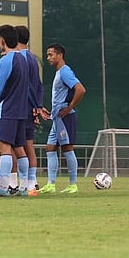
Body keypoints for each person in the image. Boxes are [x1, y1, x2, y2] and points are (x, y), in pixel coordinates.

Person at [0, 24, 36, 197]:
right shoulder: (23, 59)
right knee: (19, 147)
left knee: (5, 147)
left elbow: (0, 87)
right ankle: (24, 186)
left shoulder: (6, 60)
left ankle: (2, 185)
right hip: (21, 110)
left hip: (7, 109)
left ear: (2, 40)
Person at [40, 43, 87, 194]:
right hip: (57, 118)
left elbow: (80, 89)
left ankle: (73, 184)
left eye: (51, 54)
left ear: (60, 55)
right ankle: (51, 184)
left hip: (65, 117)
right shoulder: (59, 72)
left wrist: (69, 107)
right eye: (47, 55)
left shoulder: (65, 72)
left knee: (67, 148)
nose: (48, 58)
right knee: (50, 148)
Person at [17, 26, 43, 195]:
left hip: (21, 107)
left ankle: (23, 182)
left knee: (16, 146)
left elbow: (26, 86)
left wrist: (34, 105)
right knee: (28, 145)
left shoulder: (20, 58)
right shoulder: (32, 58)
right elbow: (38, 85)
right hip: (30, 107)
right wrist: (38, 106)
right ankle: (31, 182)